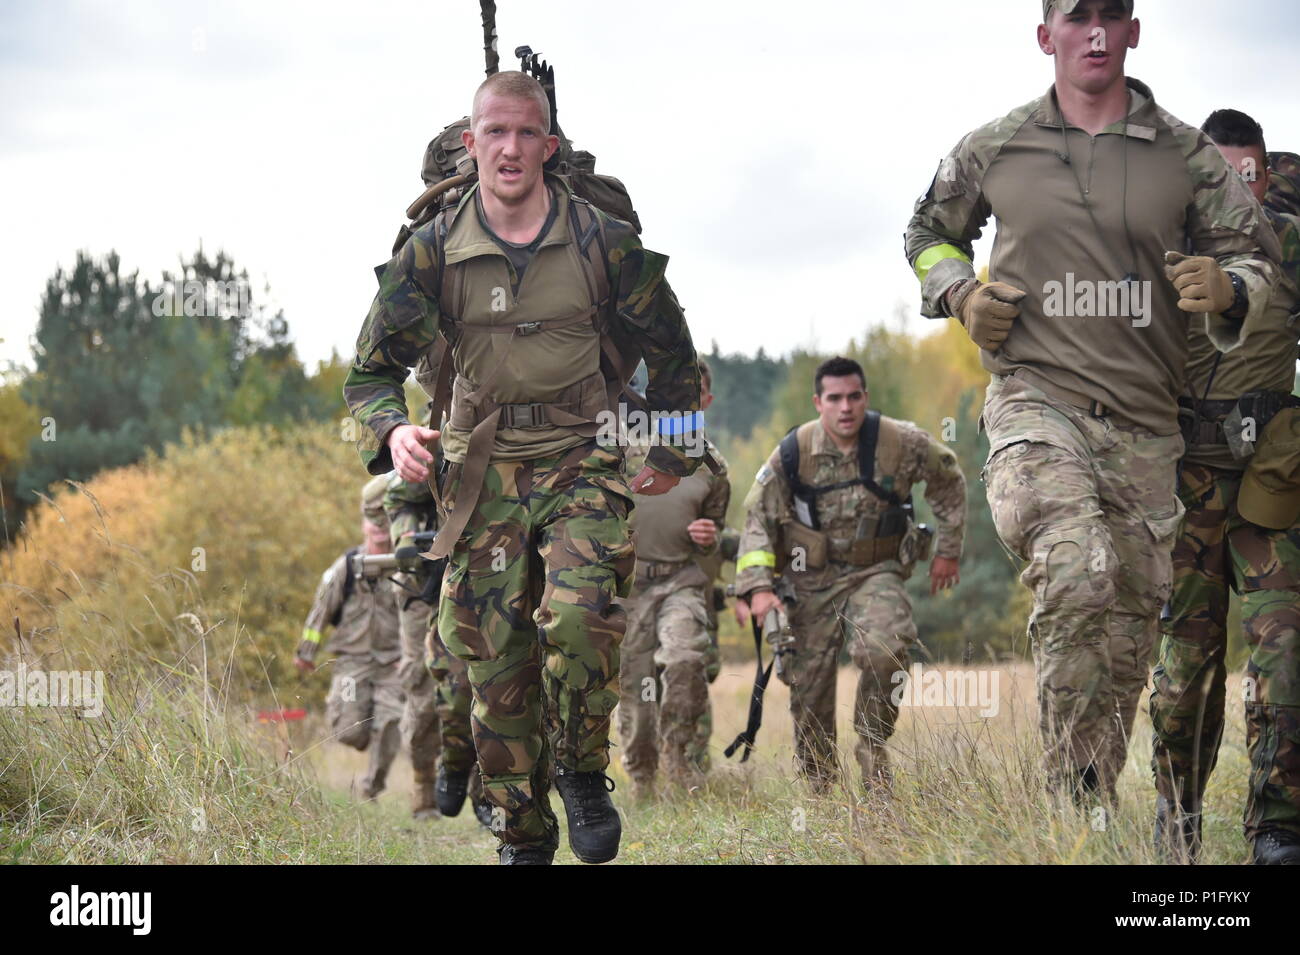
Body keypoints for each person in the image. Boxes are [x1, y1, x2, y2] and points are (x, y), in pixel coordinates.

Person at [904, 0, 1281, 800]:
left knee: (1128, 629)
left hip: (1148, 425)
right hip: (1036, 401)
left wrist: (1228, 289)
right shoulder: (997, 145)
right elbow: (926, 230)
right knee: (1077, 567)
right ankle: (1070, 800)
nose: (1097, 30)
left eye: (1113, 14)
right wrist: (960, 293)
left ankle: (1088, 801)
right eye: (1078, 17)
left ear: (1134, 31)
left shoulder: (1184, 154)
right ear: (1048, 36)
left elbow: (1255, 252)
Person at [343, 70, 705, 864]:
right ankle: (521, 831)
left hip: (583, 457)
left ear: (548, 145)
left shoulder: (603, 243)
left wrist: (674, 451)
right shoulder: (431, 251)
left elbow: (678, 363)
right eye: (493, 133)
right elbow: (369, 375)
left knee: (578, 620)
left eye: (525, 133)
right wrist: (393, 431)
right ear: (470, 146)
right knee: (492, 662)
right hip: (480, 473)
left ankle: (580, 768)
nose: (510, 149)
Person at [1149, 113, 1300, 865]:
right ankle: (1177, 818)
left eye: (1251, 179)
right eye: (1221, 178)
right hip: (1189, 478)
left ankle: (1276, 827)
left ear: (1266, 179)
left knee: (1287, 647)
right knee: (1187, 665)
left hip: (1273, 475)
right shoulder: (1160, 244)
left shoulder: (1290, 238)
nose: (1238, 196)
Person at [733, 357, 966, 790]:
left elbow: (948, 478)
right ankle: (820, 787)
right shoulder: (793, 451)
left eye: (854, 396)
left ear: (865, 398)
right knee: (809, 686)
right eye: (835, 398)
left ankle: (873, 748)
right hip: (810, 580)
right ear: (817, 402)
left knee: (890, 647)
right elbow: (757, 519)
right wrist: (759, 588)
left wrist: (948, 551)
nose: (845, 408)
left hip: (875, 571)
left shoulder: (900, 441)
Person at [616, 358, 730, 797]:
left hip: (681, 582)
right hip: (631, 588)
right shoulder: (625, 451)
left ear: (705, 401)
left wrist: (709, 537)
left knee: (685, 660)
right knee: (638, 696)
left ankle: (680, 762)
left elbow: (714, 536)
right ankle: (642, 780)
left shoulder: (713, 466)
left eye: (693, 394)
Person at [382, 467, 489, 825]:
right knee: (426, 689)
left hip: (487, 578)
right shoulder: (434, 448)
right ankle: (423, 785)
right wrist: (407, 541)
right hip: (424, 583)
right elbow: (398, 498)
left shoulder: (516, 437)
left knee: (486, 684)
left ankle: (483, 790)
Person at [295, 476, 404, 800]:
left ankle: (371, 786)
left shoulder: (405, 566)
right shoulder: (345, 566)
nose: (379, 532)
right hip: (351, 663)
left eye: (385, 526)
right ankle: (350, 713)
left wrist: (415, 655)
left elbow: (422, 616)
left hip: (392, 662)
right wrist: (306, 651)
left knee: (391, 723)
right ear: (364, 527)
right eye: (374, 526)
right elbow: (320, 611)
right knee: (350, 732)